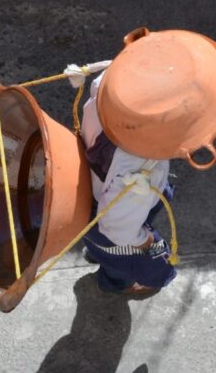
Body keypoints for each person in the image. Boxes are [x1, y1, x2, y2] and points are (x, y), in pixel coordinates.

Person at [79, 71, 176, 296]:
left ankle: (96, 253)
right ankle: (116, 283)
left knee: (101, 243)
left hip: (93, 193)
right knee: (150, 256)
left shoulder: (106, 88)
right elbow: (119, 229)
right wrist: (146, 240)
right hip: (115, 222)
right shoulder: (138, 166)